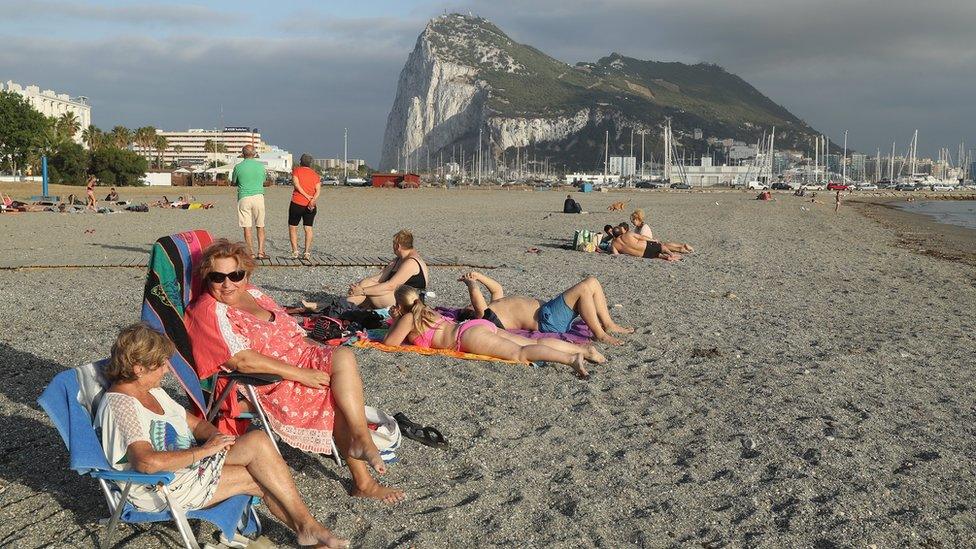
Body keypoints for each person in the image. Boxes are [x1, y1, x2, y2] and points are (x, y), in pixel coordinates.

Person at [185, 239, 404, 504]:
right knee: (330, 394)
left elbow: (288, 325)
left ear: (246, 273)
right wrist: (301, 374)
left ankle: (360, 436)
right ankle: (363, 482)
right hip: (272, 379)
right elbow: (241, 361)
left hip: (300, 356)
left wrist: (313, 351)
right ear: (207, 277)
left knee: (344, 355)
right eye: (217, 277)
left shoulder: (252, 293)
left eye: (236, 275)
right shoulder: (208, 311)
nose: (228, 283)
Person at [97, 323, 349, 548]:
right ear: (139, 368)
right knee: (260, 476)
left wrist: (218, 439)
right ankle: (310, 530)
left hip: (189, 467)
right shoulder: (122, 406)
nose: (166, 370)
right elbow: (146, 462)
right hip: (161, 486)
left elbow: (196, 425)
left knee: (258, 443)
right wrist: (205, 450)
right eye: (160, 365)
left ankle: (309, 530)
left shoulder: (151, 391)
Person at [384, 285, 604, 379]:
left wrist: (395, 319)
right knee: (529, 343)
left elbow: (390, 343)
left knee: (520, 353)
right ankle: (583, 350)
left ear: (400, 305)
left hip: (466, 338)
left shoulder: (407, 318)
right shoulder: (426, 311)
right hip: (475, 326)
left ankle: (570, 358)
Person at [457, 271, 633, 345]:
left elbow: (497, 288)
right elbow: (477, 301)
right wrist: (471, 284)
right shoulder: (486, 318)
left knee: (592, 282)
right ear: (470, 313)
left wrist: (478, 276)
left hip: (549, 314)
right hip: (546, 319)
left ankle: (608, 324)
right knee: (584, 288)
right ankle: (600, 334)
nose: (469, 303)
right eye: (468, 306)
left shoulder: (494, 305)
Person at [347, 230, 429, 309]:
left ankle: (341, 309)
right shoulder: (398, 260)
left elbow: (391, 285)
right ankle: (344, 308)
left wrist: (362, 291)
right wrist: (357, 286)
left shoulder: (411, 262)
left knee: (366, 290)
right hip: (396, 295)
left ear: (398, 246)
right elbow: (379, 278)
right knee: (366, 283)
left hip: (410, 301)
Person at [231, 145, 268, 259]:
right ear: (255, 153)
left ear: (243, 154)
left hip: (244, 197)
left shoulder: (238, 167)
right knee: (260, 225)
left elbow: (233, 182)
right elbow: (263, 180)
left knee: (247, 226)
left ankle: (250, 252)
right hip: (258, 196)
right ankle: (261, 252)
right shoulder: (261, 166)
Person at [289, 153, 321, 260]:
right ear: (310, 164)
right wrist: (312, 199)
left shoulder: (296, 171)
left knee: (293, 227)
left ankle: (295, 251)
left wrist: (306, 196)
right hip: (311, 205)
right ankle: (306, 252)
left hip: (297, 203)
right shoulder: (315, 175)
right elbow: (318, 190)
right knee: (308, 228)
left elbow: (296, 185)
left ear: (300, 161)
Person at [610, 222, 684, 261]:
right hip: (646, 246)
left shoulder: (614, 244)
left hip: (643, 254)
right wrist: (653, 240)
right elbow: (642, 237)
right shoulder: (628, 234)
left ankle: (666, 257)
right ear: (621, 231)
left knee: (658, 255)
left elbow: (616, 255)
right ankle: (671, 254)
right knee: (662, 247)